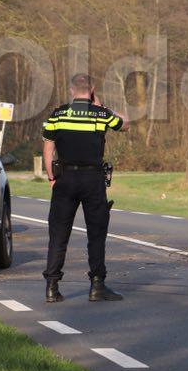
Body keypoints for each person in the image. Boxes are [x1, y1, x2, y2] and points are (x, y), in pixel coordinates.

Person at [41, 74, 128, 303]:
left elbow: (48, 148)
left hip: (65, 179)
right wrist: (100, 105)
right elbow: (125, 124)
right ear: (91, 90)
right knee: (96, 233)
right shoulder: (100, 114)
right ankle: (97, 286)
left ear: (71, 90)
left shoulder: (57, 114)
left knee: (58, 234)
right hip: (93, 179)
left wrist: (52, 178)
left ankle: (52, 287)